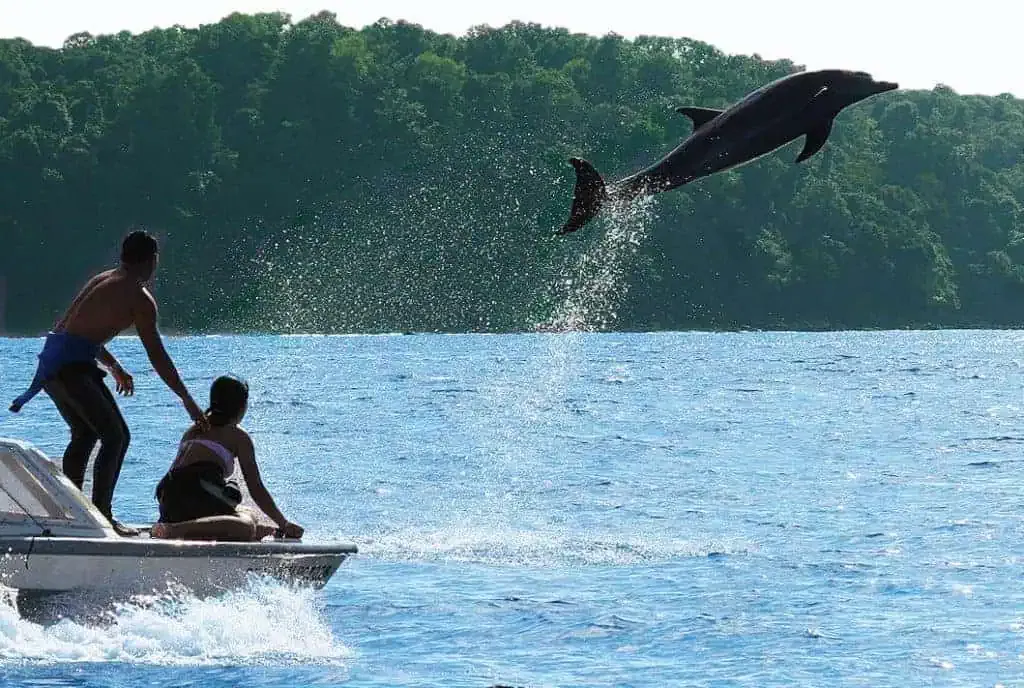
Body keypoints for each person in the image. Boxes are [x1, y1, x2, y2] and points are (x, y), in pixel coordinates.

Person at [8, 229, 209, 536]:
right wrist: (187, 399)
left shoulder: (103, 278)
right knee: (117, 437)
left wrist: (114, 366)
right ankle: (101, 516)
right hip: (70, 369)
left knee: (86, 434)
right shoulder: (139, 298)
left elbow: (73, 331)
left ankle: (70, 515)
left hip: (53, 366)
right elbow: (157, 356)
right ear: (152, 260)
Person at [151, 374, 305, 542]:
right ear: (242, 406)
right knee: (245, 526)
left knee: (250, 514)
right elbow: (256, 488)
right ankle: (172, 530)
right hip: (192, 495)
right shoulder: (238, 436)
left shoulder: (193, 429)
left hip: (169, 498)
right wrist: (284, 523)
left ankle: (173, 526)